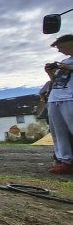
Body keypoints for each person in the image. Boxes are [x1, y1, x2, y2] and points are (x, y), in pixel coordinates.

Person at [44, 34, 73, 174]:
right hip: (55, 98)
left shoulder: (67, 64)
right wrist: (50, 73)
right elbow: (57, 81)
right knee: (58, 132)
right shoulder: (65, 61)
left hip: (70, 98)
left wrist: (69, 68)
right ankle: (65, 161)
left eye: (61, 47)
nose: (59, 51)